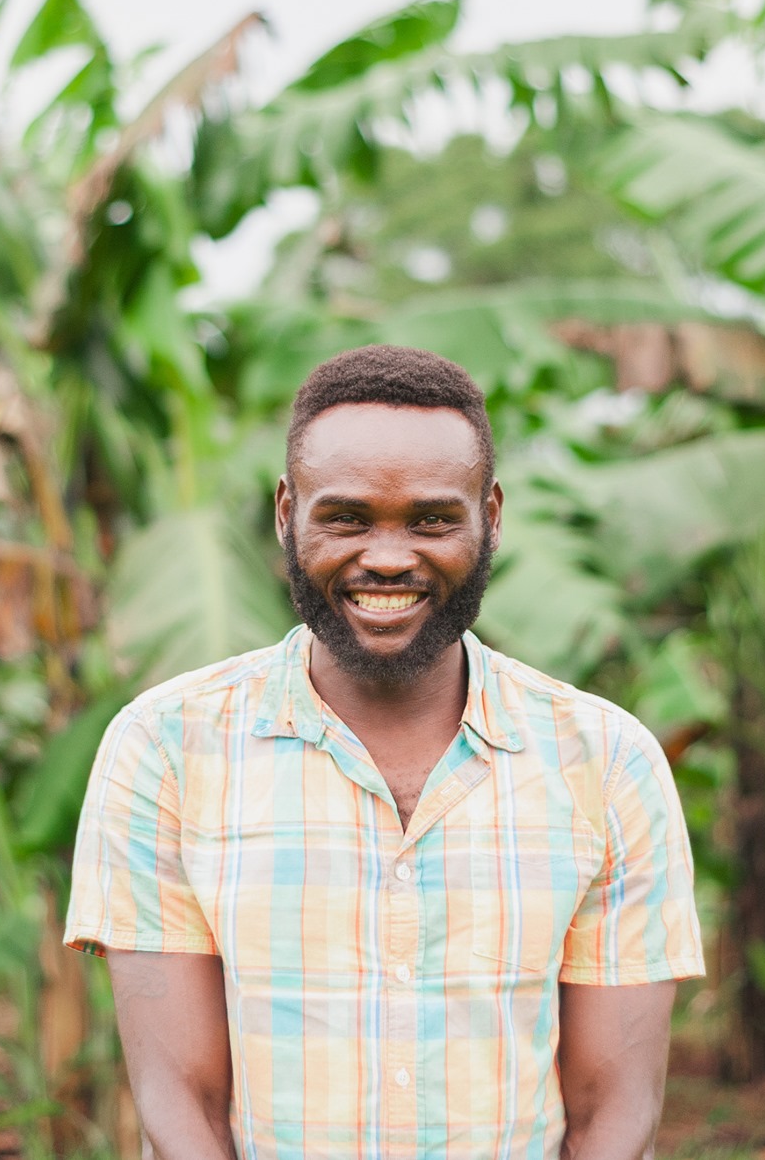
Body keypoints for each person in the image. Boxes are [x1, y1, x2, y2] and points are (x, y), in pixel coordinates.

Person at [65, 344, 704, 1160]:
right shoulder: (164, 749)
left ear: (493, 516)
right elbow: (180, 1103)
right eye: (347, 518)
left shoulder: (608, 762)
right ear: (287, 513)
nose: (390, 558)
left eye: (434, 519)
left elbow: (615, 1108)